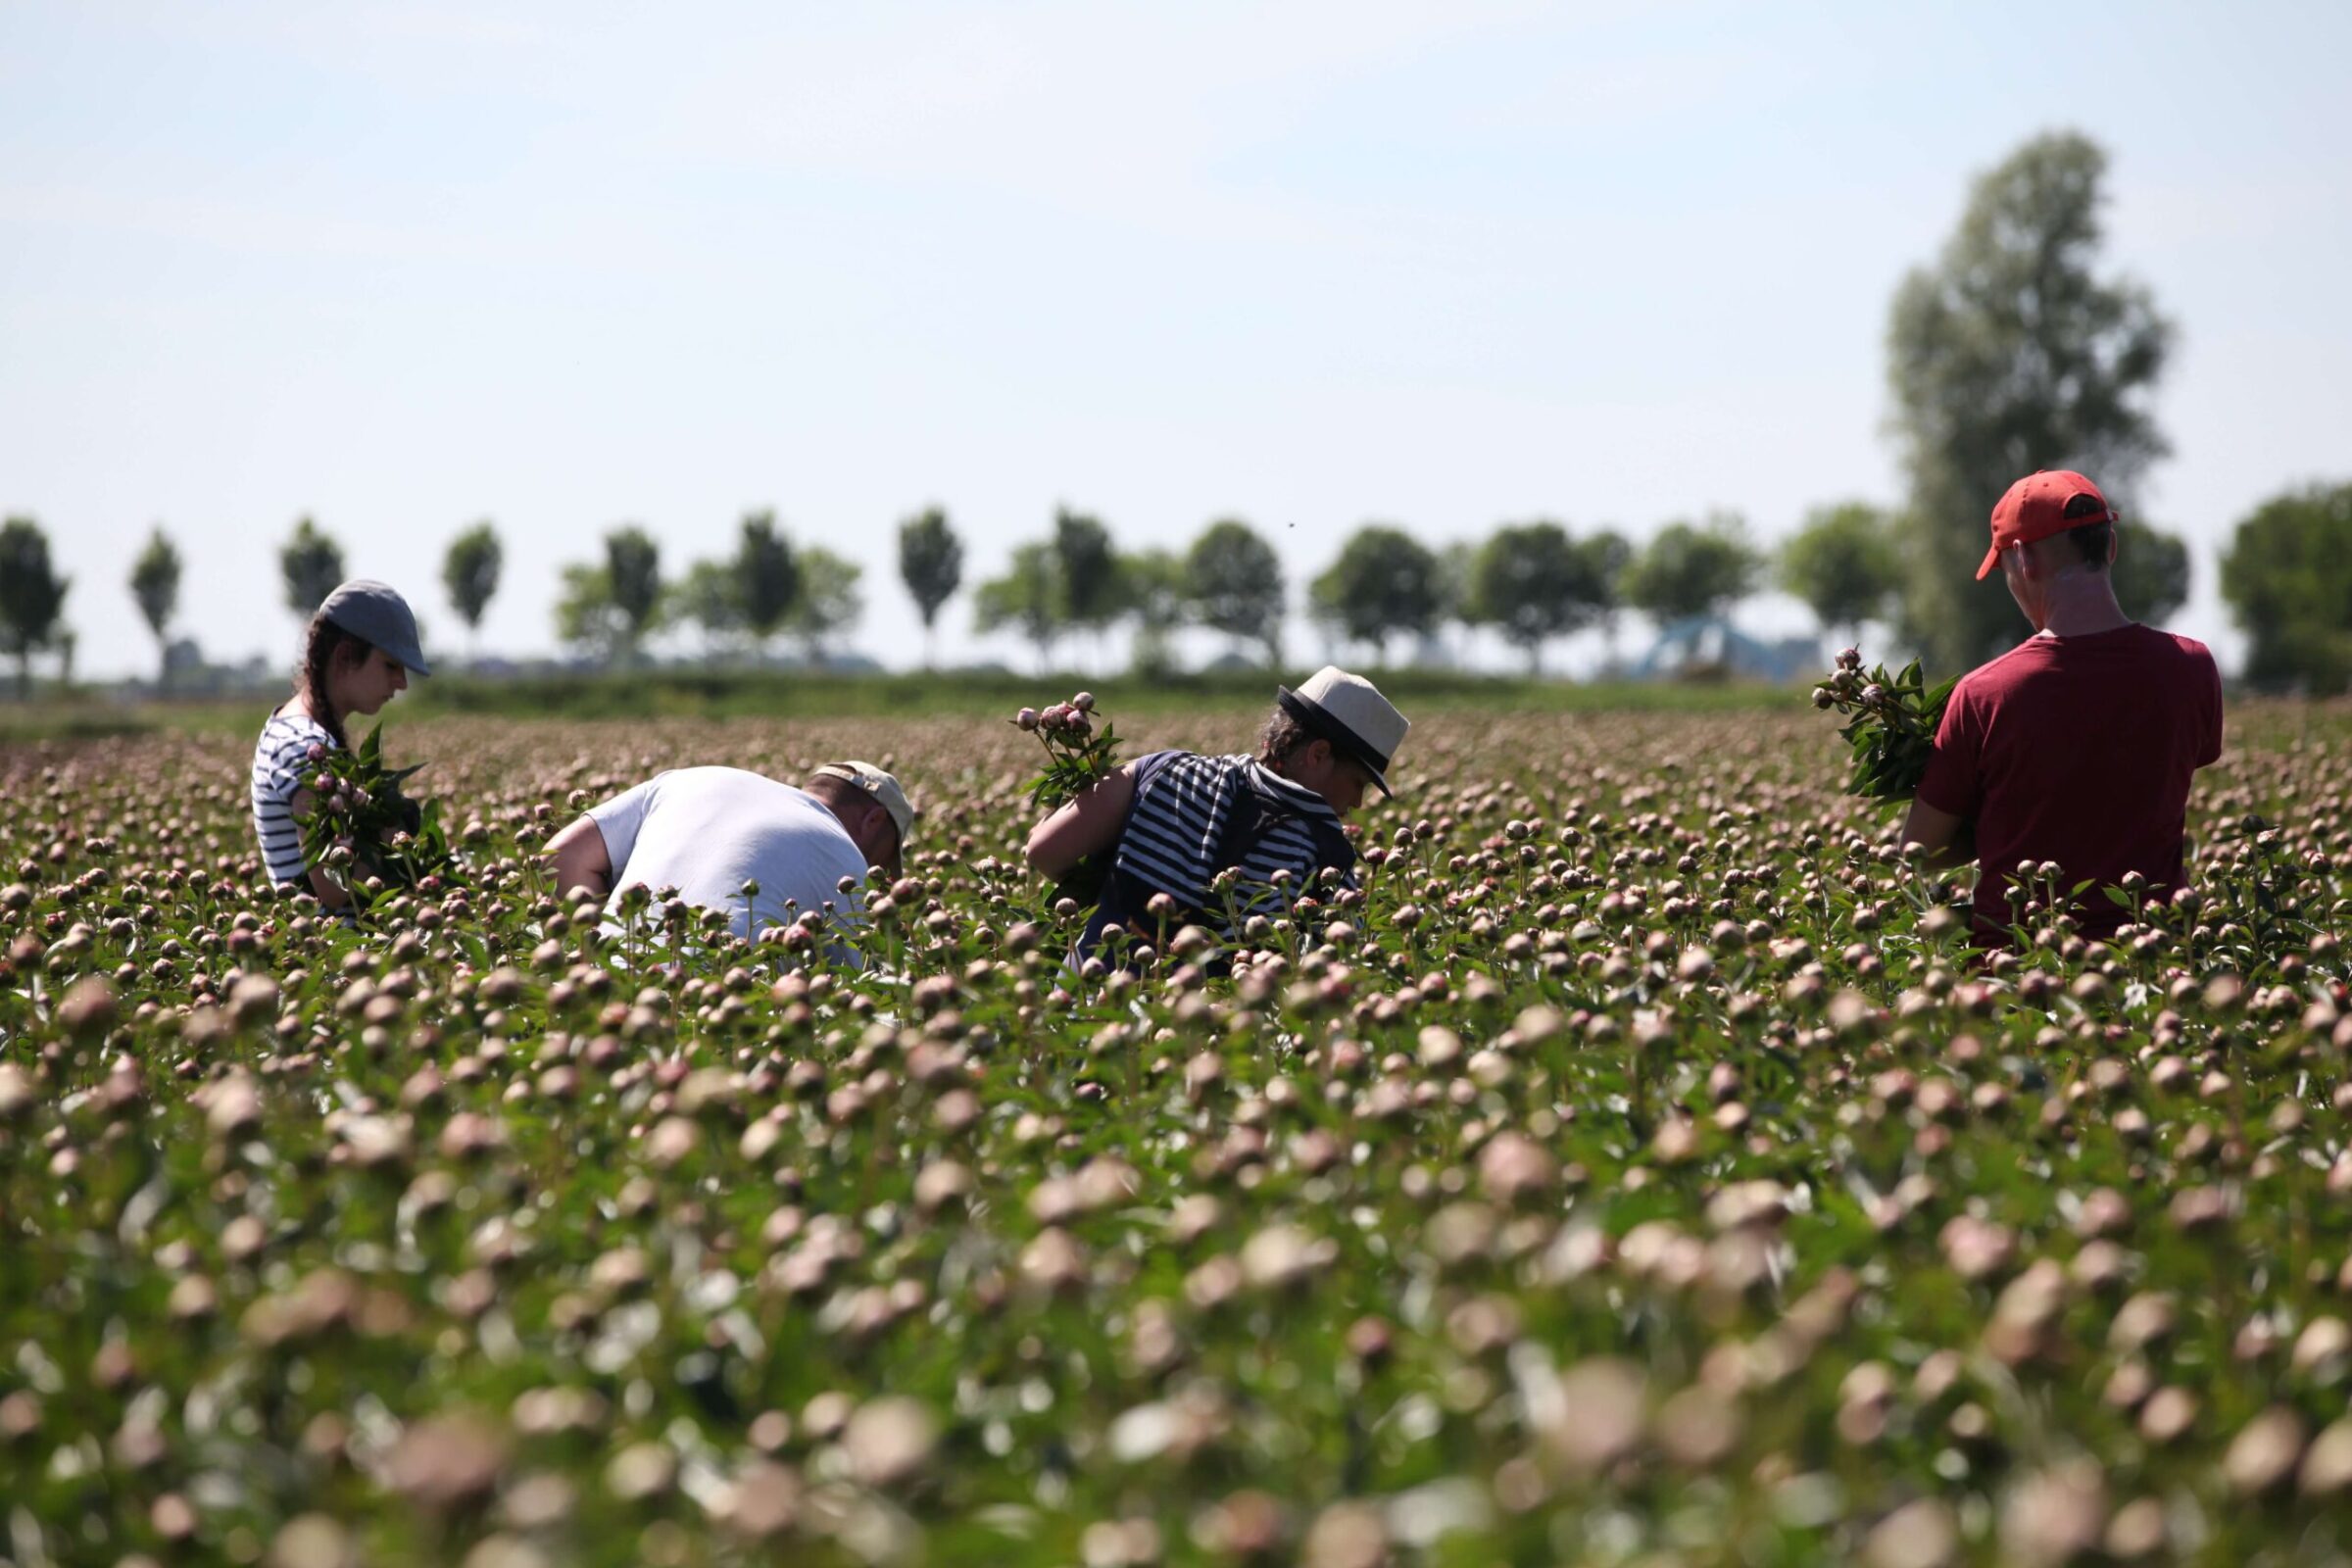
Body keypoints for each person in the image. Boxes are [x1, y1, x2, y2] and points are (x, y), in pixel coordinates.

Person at [1900, 469, 2224, 943]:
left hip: (2017, 979)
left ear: (2024, 559)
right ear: (2110, 547)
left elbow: (1916, 852)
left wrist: (1980, 832)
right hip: (2158, 968)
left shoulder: (1984, 694)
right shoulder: (2191, 668)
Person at [1026, 665, 1409, 960]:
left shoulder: (1162, 768)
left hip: (1089, 1007)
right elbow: (1339, 961)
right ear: (1319, 754)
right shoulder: (1325, 850)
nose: (1358, 803)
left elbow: (1044, 851)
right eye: (1358, 782)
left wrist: (1113, 882)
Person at [542, 760, 914, 949]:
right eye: (882, 862)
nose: (877, 880)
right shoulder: (845, 856)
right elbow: (844, 990)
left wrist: (606, 952)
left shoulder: (688, 780)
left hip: (611, 990)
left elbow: (560, 856)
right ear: (874, 820)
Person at [251, 579, 431, 906]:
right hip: (333, 950)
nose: (401, 683)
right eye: (391, 665)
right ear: (346, 655)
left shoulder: (297, 732)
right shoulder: (304, 748)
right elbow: (335, 884)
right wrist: (399, 841)